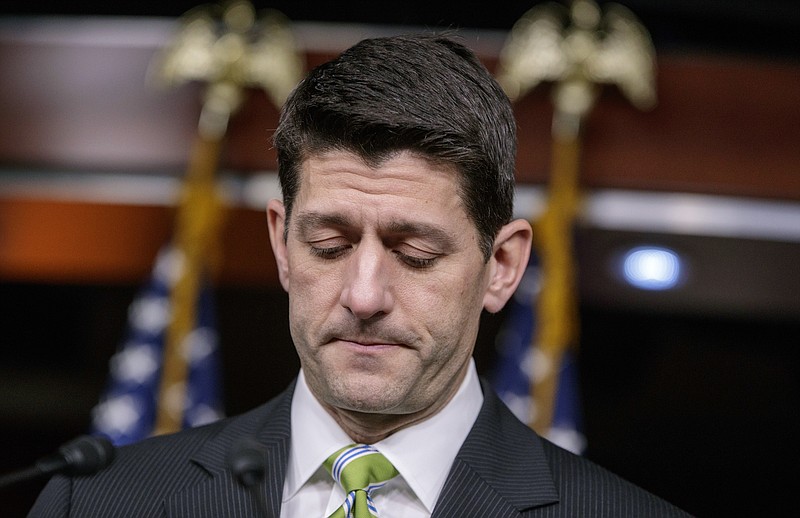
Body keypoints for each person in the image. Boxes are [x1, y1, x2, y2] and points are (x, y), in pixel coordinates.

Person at [30, 34, 690, 517]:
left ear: (503, 267)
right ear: (282, 246)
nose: (364, 296)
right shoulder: (92, 502)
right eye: (329, 243)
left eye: (416, 252)